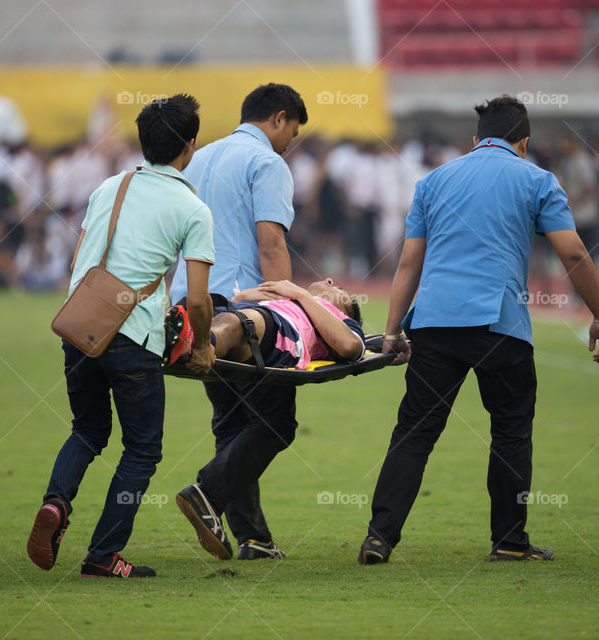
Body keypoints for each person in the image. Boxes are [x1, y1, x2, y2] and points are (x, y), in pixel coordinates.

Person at [358, 96, 599, 565]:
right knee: (510, 432)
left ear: (475, 141)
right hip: (501, 324)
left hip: (434, 323)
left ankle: (379, 538)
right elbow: (573, 254)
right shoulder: (537, 179)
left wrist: (392, 331)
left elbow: (409, 262)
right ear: (524, 142)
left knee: (414, 433)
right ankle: (510, 541)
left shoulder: (433, 181)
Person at [26, 94, 215, 579]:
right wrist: (202, 345)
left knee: (87, 430)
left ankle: (55, 504)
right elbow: (197, 300)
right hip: (135, 337)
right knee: (142, 448)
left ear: (143, 141)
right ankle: (103, 554)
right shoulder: (192, 207)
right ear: (190, 145)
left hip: (80, 325)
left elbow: (78, 262)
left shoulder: (110, 186)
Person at [169, 83, 308, 561]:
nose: (290, 140)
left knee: (231, 422)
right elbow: (270, 243)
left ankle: (253, 538)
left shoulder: (199, 158)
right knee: (276, 422)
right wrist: (290, 311)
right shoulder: (267, 162)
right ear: (280, 118)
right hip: (243, 310)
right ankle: (206, 490)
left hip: (190, 306)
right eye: (293, 130)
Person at [181, 278, 364, 369]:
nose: (330, 280)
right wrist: (241, 298)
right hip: (252, 311)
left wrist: (302, 295)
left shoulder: (342, 321)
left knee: (239, 324)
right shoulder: (290, 299)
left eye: (339, 290)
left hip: (282, 331)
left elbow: (349, 347)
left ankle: (193, 346)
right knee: (195, 308)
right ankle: (171, 337)